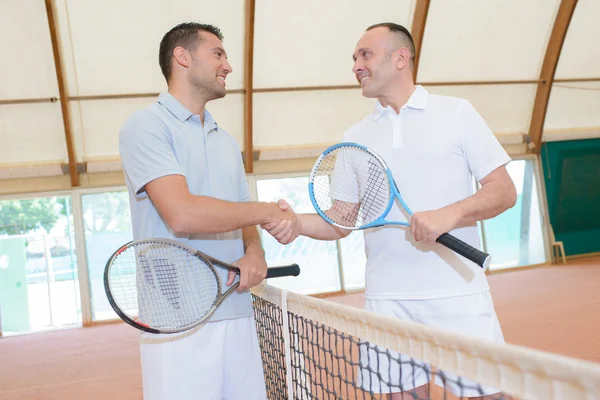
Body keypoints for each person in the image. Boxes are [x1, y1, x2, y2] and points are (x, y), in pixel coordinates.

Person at [263, 22, 517, 399]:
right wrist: (296, 222)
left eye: (364, 55)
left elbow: (504, 192)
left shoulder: (457, 113)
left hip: (458, 293)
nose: (355, 66)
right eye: (353, 58)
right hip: (387, 302)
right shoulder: (354, 138)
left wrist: (448, 215)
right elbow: (341, 221)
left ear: (400, 58)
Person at [119, 22, 300, 400]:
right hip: (175, 322)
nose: (228, 66)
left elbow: (242, 216)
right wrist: (267, 210)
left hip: (237, 310)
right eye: (218, 53)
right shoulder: (145, 127)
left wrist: (255, 252)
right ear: (182, 58)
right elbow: (181, 214)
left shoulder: (226, 141)